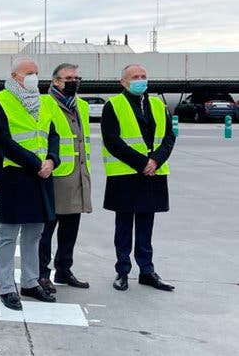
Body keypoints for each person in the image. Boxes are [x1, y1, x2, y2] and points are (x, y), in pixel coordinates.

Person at [0, 58, 59, 310]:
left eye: (37, 73)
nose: (34, 77)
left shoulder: (44, 101)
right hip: (15, 175)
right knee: (9, 234)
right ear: (15, 76)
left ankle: (30, 282)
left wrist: (52, 159)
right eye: (29, 73)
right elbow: (3, 140)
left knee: (35, 232)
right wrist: (35, 163)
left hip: (43, 174)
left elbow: (53, 134)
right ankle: (7, 288)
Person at [102, 64, 176, 292]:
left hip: (153, 173)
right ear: (123, 82)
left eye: (144, 76)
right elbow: (112, 141)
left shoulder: (157, 105)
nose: (141, 80)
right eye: (135, 77)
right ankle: (122, 270)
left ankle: (147, 270)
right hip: (126, 173)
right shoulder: (113, 105)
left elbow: (169, 138)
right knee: (124, 225)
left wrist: (155, 161)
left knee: (146, 224)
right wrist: (142, 163)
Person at [38, 63, 92, 292]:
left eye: (76, 77)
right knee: (46, 230)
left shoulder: (82, 106)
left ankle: (64, 269)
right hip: (55, 174)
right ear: (55, 81)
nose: (74, 81)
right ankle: (42, 273)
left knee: (71, 228)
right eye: (68, 78)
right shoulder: (44, 103)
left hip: (78, 174)